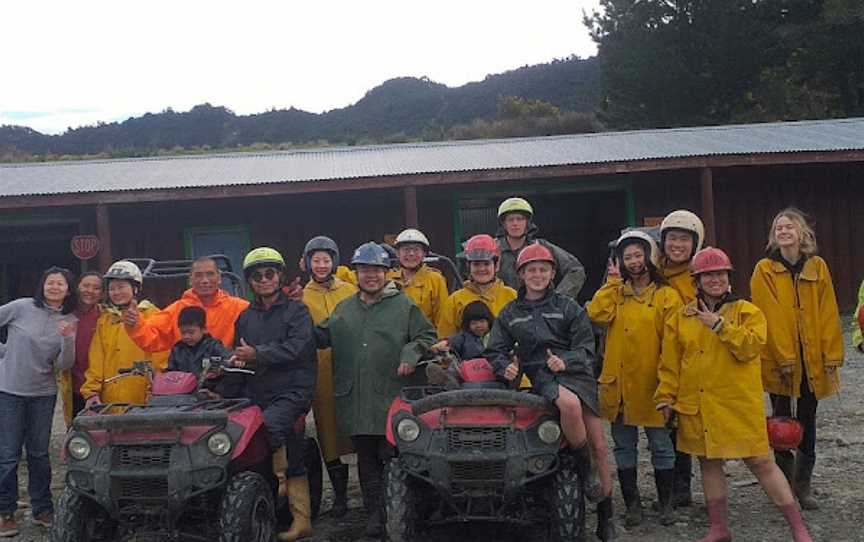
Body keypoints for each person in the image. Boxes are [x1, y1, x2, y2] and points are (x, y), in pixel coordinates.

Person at [657, 247, 812, 542]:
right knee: (709, 463)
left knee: (761, 462)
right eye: (708, 275)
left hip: (738, 404)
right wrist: (665, 397)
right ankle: (719, 528)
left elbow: (752, 347)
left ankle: (798, 528)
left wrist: (719, 326)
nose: (715, 279)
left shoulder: (747, 312)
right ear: (696, 280)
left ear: (728, 278)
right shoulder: (681, 317)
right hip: (698, 405)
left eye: (720, 274)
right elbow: (669, 363)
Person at [485, 242, 615, 542]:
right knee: (569, 406)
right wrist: (504, 366)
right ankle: (586, 472)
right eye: (531, 270)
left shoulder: (569, 307)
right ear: (521, 274)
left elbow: (586, 348)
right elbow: (495, 350)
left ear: (552, 272)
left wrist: (565, 360)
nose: (537, 275)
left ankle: (605, 514)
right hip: (542, 376)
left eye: (543, 269)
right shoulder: (509, 313)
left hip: (579, 375)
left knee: (600, 446)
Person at [316, 242, 437, 537]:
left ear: (387, 272)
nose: (370, 275)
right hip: (357, 399)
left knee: (393, 457)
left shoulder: (404, 305)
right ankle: (374, 514)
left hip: (391, 397)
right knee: (366, 460)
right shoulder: (345, 308)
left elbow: (426, 335)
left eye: (376, 270)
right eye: (364, 270)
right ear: (356, 272)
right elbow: (321, 335)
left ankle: (397, 510)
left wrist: (410, 354)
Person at [750, 208, 843, 510]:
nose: (784, 231)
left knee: (808, 422)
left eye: (790, 226)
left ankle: (803, 486)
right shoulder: (764, 269)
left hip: (812, 361)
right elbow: (768, 315)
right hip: (780, 362)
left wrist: (832, 352)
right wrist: (785, 357)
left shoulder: (818, 267)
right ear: (773, 236)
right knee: (780, 423)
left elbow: (829, 311)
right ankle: (783, 487)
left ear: (802, 233)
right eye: (779, 227)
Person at [588, 230, 681, 527]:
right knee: (624, 447)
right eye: (627, 257)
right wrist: (611, 282)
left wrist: (668, 388)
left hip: (654, 386)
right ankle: (633, 506)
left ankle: (666, 504)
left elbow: (673, 344)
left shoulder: (666, 295)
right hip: (621, 388)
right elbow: (595, 315)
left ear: (649, 257)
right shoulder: (615, 292)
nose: (633, 261)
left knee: (662, 446)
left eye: (638, 255)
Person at [231, 248, 317, 542]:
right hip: (257, 391)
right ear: (250, 282)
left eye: (270, 273)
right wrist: (218, 384)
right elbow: (240, 357)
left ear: (280, 276)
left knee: (271, 426)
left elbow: (298, 349)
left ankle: (300, 516)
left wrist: (256, 354)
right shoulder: (244, 317)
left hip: (293, 390)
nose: (264, 280)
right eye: (257, 276)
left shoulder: (298, 312)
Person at [0, 267, 77, 536]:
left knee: (38, 454)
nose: (55, 287)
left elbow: (65, 364)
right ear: (42, 285)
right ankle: (6, 512)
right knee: (8, 455)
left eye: (61, 283)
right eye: (50, 282)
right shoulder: (21, 307)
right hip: (9, 390)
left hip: (43, 394)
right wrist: (3, 353)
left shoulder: (70, 319)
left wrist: (68, 339)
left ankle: (42, 507)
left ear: (68, 290)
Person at [300, 236, 357, 518]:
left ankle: (373, 492)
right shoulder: (301, 296)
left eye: (326, 259)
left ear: (334, 261)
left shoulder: (351, 290)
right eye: (316, 260)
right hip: (320, 372)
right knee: (328, 431)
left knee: (359, 426)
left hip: (353, 367)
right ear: (308, 262)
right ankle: (341, 497)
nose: (321, 265)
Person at [657, 209, 705, 508]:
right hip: (657, 352)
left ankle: (684, 487)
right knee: (664, 420)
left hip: (688, 356)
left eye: (684, 239)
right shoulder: (653, 270)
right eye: (672, 238)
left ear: (695, 242)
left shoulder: (700, 275)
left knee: (684, 421)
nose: (677, 245)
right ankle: (670, 484)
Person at [80, 261, 168, 407]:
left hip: (144, 398)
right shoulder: (105, 321)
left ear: (135, 288)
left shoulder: (153, 316)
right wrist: (91, 392)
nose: (116, 292)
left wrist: (156, 391)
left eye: (121, 287)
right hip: (110, 400)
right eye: (112, 289)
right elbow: (96, 360)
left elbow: (161, 359)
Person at [123, 256, 250, 355]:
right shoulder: (177, 310)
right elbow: (151, 337)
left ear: (219, 278)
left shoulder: (240, 308)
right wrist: (134, 325)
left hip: (229, 379)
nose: (205, 280)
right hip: (188, 381)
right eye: (198, 275)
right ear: (190, 279)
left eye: (210, 274)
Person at [494, 197, 586, 299]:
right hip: (504, 309)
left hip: (541, 308)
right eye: (510, 219)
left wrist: (559, 298)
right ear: (503, 224)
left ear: (527, 222)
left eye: (519, 219)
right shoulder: (492, 248)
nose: (515, 224)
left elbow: (575, 269)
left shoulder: (542, 247)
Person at [436, 234, 516, 338]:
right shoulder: (455, 301)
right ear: (469, 267)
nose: (482, 269)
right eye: (476, 264)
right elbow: (445, 340)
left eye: (487, 264)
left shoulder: (512, 296)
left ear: (496, 266)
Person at [59, 270, 103, 425]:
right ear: (77, 287)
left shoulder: (107, 316)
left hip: (103, 387)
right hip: (75, 386)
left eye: (96, 287)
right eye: (86, 285)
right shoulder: (65, 316)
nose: (90, 291)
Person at [387, 228, 449, 325]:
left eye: (416, 249)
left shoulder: (435, 279)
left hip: (425, 338)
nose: (411, 254)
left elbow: (442, 318)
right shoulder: (387, 278)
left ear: (424, 254)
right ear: (397, 253)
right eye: (406, 249)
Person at [427, 301, 494, 390]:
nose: (478, 326)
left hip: (493, 371)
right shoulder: (465, 337)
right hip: (470, 373)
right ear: (468, 325)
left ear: (489, 321)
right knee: (451, 362)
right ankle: (448, 381)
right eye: (474, 323)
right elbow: (452, 341)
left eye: (482, 322)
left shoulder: (497, 335)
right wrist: (443, 344)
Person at [166, 306, 234, 386]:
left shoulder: (213, 346)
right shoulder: (177, 349)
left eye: (191, 332)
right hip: (182, 390)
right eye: (183, 333)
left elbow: (228, 358)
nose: (186, 336)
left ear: (204, 329)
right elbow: (171, 372)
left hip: (209, 388)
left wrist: (220, 368)